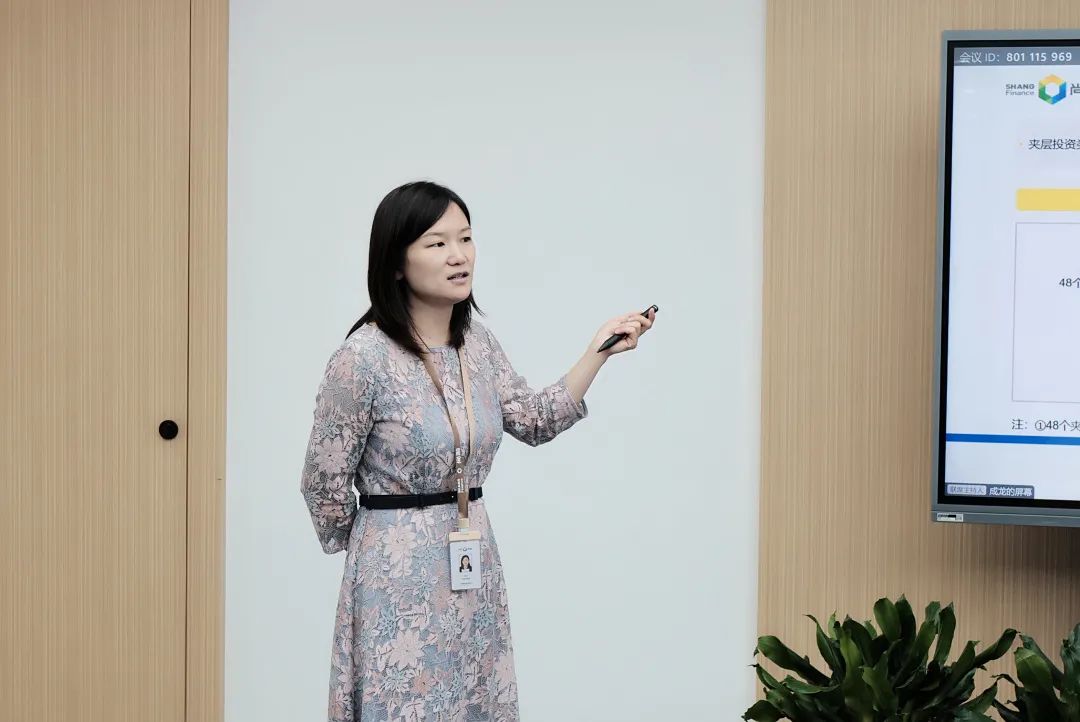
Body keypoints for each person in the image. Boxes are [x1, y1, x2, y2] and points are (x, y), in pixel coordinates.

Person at [300, 180, 655, 722]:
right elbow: (322, 482)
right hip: (395, 578)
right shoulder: (362, 357)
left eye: (465, 239)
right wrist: (379, 541)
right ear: (396, 263)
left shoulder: (478, 346)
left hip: (472, 562)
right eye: (437, 243)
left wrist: (597, 352)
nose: (458, 255)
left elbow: (534, 420)